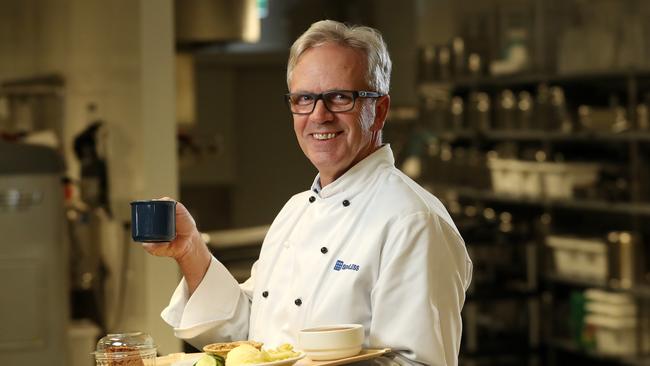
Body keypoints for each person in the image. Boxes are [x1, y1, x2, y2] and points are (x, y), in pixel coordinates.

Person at [143, 20, 472, 366]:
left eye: (340, 97)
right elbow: (250, 335)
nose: (319, 115)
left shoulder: (413, 221)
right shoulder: (295, 210)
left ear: (380, 110)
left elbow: (417, 363)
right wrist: (191, 249)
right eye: (304, 99)